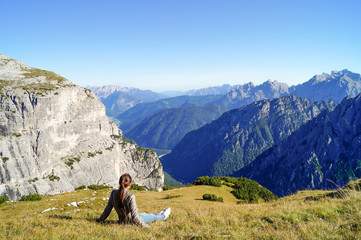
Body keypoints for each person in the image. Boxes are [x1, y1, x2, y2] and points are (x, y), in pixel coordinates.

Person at [96, 173, 171, 228]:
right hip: (132, 222)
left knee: (144, 214)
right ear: (129, 184)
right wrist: (147, 227)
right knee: (151, 217)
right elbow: (135, 217)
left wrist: (99, 220)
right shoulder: (130, 196)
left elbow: (107, 211)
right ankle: (163, 216)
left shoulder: (113, 193)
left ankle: (159, 213)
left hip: (122, 221)